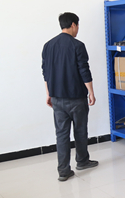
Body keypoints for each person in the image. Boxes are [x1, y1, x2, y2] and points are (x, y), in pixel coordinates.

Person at [42, 12, 98, 182]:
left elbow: (46, 72)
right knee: (80, 131)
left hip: (57, 98)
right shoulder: (77, 45)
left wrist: (48, 93)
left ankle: (63, 171)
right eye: (78, 26)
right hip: (76, 98)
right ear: (73, 25)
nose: (78, 29)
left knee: (61, 134)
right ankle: (82, 161)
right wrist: (91, 92)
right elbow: (84, 70)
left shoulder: (48, 45)